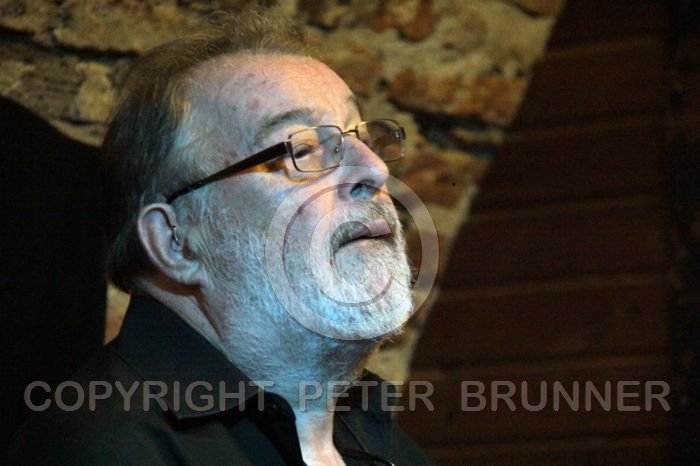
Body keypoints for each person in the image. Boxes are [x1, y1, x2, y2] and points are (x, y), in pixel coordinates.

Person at [6, 6, 434, 466]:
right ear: (175, 241)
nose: (375, 168)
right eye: (302, 149)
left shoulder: (391, 446)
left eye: (361, 137)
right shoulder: (104, 451)